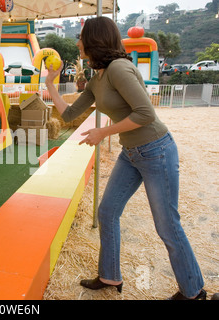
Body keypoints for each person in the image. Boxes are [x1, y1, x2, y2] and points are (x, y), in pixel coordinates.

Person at [45, 16, 205, 300]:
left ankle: (194, 292)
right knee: (107, 213)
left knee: (167, 226)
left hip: (156, 150)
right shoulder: (98, 78)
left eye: (82, 37)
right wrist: (50, 83)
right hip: (131, 153)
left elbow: (146, 114)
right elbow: (68, 115)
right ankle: (109, 276)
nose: (78, 42)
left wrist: (103, 132)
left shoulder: (119, 68)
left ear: (95, 40)